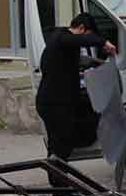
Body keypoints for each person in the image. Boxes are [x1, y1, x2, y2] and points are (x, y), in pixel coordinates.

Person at [36, 13, 117, 187]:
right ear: (80, 28)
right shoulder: (63, 38)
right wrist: (103, 42)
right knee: (61, 145)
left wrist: (93, 64)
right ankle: (60, 187)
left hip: (52, 100)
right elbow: (76, 42)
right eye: (86, 35)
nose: (85, 41)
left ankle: (59, 186)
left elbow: (70, 62)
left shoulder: (59, 41)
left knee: (58, 145)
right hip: (54, 103)